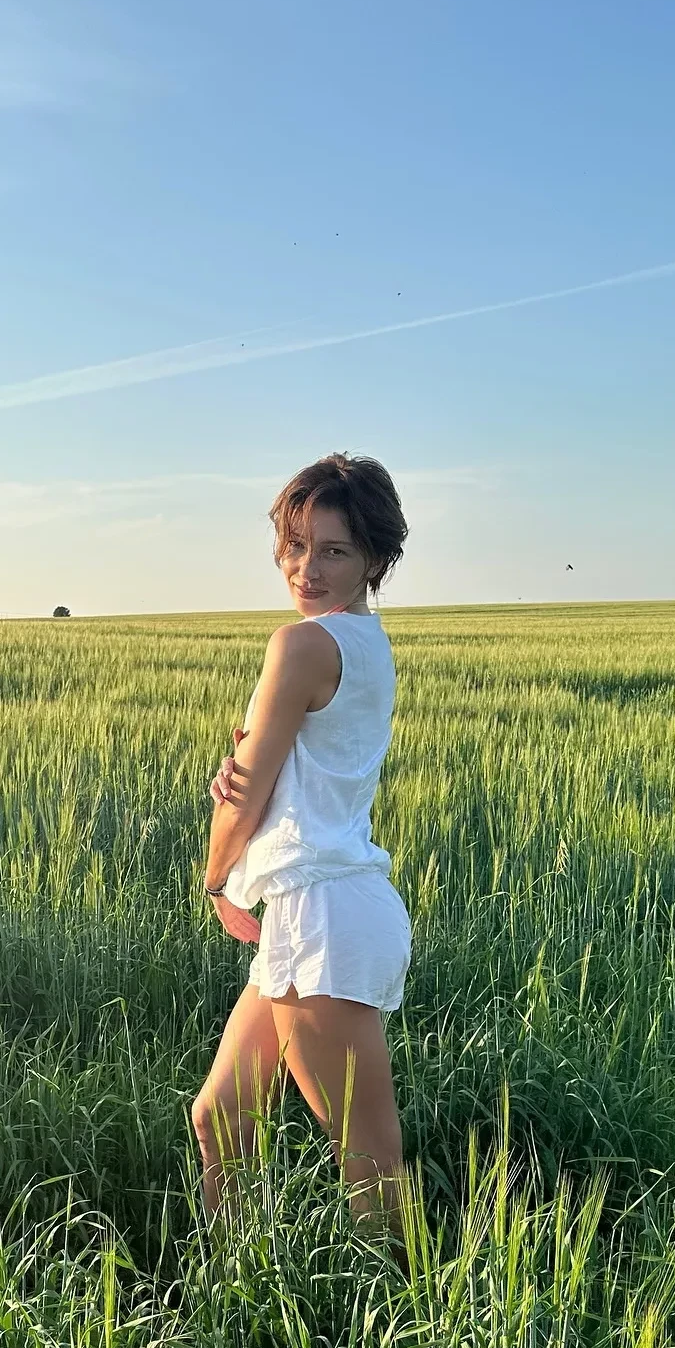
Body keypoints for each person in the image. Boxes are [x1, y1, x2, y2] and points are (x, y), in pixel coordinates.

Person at [191, 452, 411, 1235]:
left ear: (374, 561)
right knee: (221, 1114)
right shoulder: (364, 643)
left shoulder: (303, 645)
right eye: (295, 546)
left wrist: (217, 880)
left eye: (334, 551)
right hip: (313, 903)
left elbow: (245, 794)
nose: (306, 569)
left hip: (323, 913)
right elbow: (289, 772)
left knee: (369, 1165)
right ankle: (239, 1283)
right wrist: (258, 767)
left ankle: (406, 1306)